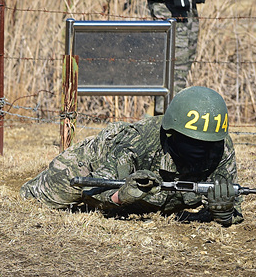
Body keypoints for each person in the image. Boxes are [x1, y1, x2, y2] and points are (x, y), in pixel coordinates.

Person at [20, 86, 243, 227]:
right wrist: (120, 197)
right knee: (48, 195)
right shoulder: (138, 142)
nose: (200, 149)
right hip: (95, 161)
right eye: (190, 140)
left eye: (206, 143)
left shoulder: (221, 147)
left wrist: (223, 212)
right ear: (171, 133)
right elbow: (95, 189)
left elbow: (232, 205)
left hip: (152, 201)